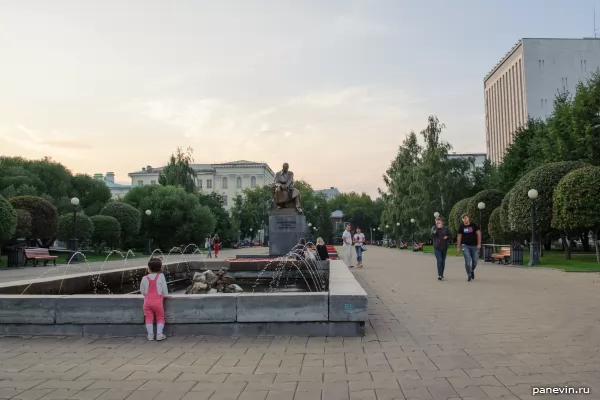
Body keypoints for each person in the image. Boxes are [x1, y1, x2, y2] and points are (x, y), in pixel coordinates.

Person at [140, 257, 169, 341]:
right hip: (157, 301)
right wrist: (166, 295)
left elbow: (142, 290)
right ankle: (159, 334)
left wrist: (146, 295)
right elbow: (164, 288)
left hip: (147, 302)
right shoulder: (161, 276)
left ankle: (150, 335)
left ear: (149, 269)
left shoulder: (144, 278)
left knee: (148, 318)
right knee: (160, 317)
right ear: (160, 268)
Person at [457, 213, 481, 282]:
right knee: (467, 261)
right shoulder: (461, 227)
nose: (465, 219)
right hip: (465, 246)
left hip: (474, 246)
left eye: (466, 218)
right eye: (463, 218)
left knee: (475, 261)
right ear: (462, 219)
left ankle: (471, 270)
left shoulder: (473, 225)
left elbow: (478, 234)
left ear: (468, 218)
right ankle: (469, 274)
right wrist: (458, 247)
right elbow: (459, 237)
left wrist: (479, 244)